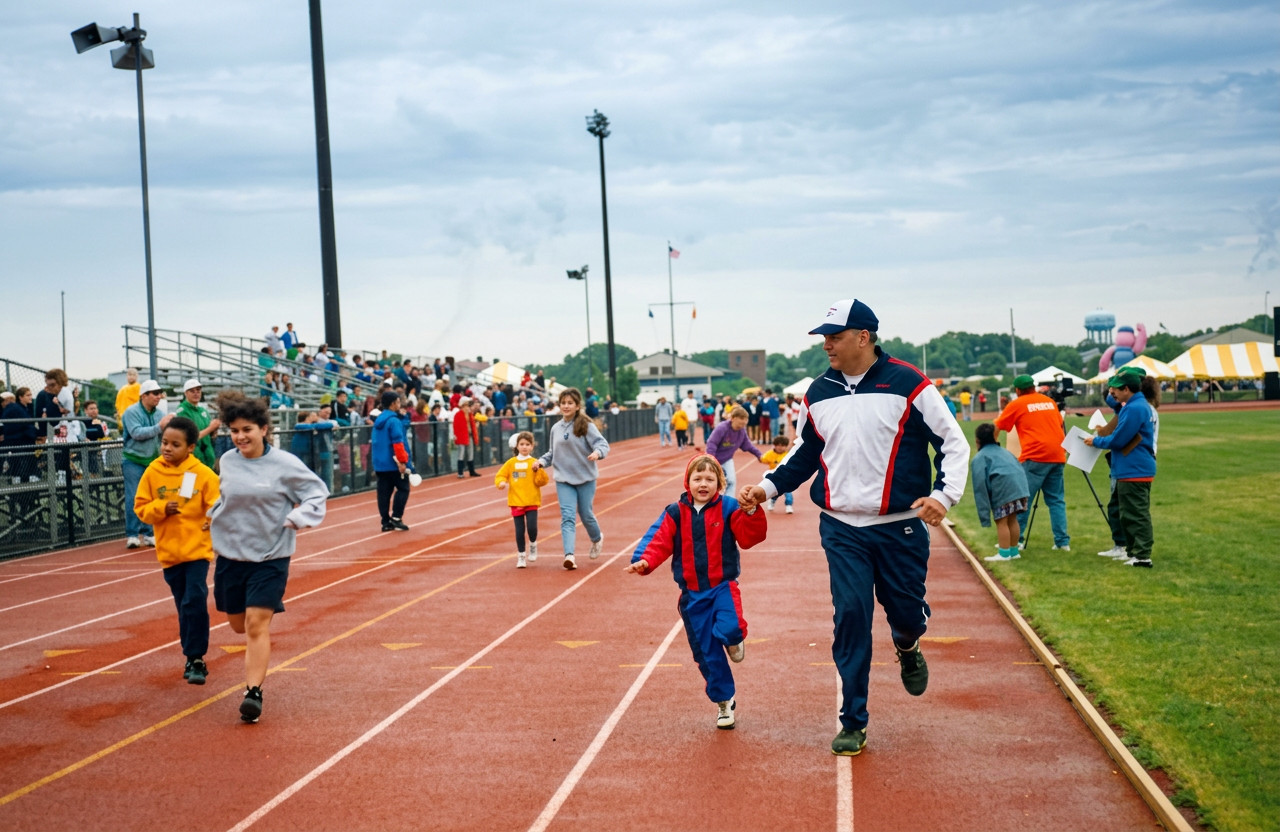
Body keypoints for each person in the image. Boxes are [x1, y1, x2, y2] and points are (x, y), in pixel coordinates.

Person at [738, 298, 969, 757]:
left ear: (864, 337)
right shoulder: (818, 393)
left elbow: (953, 443)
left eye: (835, 336)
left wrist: (943, 496)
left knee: (904, 614)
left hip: (900, 525)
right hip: (841, 527)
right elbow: (804, 454)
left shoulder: (909, 384)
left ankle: (908, 644)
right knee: (851, 616)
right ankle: (853, 720)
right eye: (824, 337)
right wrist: (767, 487)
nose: (827, 345)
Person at [209, 390, 328, 723]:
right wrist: (212, 512)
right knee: (236, 625)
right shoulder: (228, 461)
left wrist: (299, 517)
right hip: (232, 555)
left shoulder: (285, 465)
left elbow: (316, 492)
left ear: (263, 429)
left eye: (247, 429)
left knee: (255, 624)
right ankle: (253, 684)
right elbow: (225, 497)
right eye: (234, 431)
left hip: (272, 556)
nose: (240, 437)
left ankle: (253, 693)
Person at [626, 454, 767, 729]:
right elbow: (658, 538)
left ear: (720, 482)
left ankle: (734, 639)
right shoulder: (675, 512)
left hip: (723, 586)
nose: (703, 484)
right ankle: (724, 701)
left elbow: (750, 538)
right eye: (697, 478)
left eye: (710, 479)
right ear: (687, 482)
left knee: (731, 627)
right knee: (707, 654)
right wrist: (644, 560)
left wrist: (750, 512)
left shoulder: (729, 508)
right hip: (692, 596)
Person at [133, 416, 220, 685]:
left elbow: (218, 506)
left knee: (194, 600)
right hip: (169, 553)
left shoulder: (203, 474)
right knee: (183, 605)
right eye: (164, 442)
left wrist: (209, 522)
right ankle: (191, 654)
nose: (166, 448)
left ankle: (196, 657)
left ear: (191, 447)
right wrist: (161, 508)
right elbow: (141, 508)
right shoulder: (152, 472)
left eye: (174, 444)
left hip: (196, 552)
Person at [1085, 371, 1157, 568]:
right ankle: (1134, 552)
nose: (1111, 392)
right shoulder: (1133, 405)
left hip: (1135, 468)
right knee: (1128, 513)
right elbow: (1113, 404)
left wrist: (1096, 441)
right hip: (1130, 467)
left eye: (1115, 388)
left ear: (1127, 389)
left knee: (1136, 514)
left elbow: (1119, 439)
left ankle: (1142, 555)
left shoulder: (1134, 408)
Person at [533, 387, 609, 570]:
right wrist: (541, 462)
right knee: (567, 517)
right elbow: (552, 453)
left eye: (570, 403)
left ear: (577, 406)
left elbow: (602, 444)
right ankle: (569, 555)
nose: (566, 406)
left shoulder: (586, 426)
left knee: (585, 514)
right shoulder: (555, 428)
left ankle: (597, 538)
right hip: (563, 479)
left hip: (585, 478)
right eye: (563, 403)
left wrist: (597, 453)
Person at [993, 375, 1070, 551]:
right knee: (1057, 501)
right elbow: (1060, 424)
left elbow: (997, 426)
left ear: (1018, 390)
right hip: (1058, 454)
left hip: (1035, 456)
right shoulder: (1049, 402)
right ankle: (1062, 542)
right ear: (1033, 387)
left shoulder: (1017, 403)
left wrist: (992, 448)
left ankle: (1016, 540)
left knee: (1022, 500)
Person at [122, 380, 173, 549]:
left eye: (160, 393)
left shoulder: (158, 413)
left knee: (153, 497)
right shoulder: (131, 412)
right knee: (134, 496)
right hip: (133, 460)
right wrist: (160, 426)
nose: (159, 396)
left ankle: (149, 532)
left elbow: (161, 436)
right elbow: (136, 433)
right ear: (144, 396)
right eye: (155, 393)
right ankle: (132, 534)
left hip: (152, 461)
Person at [971, 423, 1031, 563]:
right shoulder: (1005, 452)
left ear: (977, 441)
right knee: (1012, 519)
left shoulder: (980, 458)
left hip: (1003, 489)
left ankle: (1004, 554)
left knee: (1001, 521)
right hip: (1020, 488)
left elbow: (980, 488)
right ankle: (1014, 551)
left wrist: (984, 516)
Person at [495, 431, 550, 569]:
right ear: (517, 446)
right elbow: (500, 475)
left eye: (527, 444)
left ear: (532, 446)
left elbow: (542, 481)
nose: (524, 447)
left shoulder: (534, 462)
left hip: (531, 500)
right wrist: (501, 483)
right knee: (519, 530)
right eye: (522, 444)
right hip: (516, 501)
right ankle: (521, 556)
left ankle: (533, 544)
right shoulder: (511, 463)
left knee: (532, 527)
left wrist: (538, 470)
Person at [371, 391, 412, 531]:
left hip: (380, 463)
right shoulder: (394, 421)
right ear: (394, 403)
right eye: (398, 402)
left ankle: (385, 522)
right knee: (403, 488)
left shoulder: (378, 420)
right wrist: (403, 461)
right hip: (393, 463)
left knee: (383, 493)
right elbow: (398, 443)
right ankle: (396, 517)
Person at [706, 405, 765, 496]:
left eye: (744, 423)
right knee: (714, 483)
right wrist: (711, 460)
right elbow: (712, 443)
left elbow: (747, 445)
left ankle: (729, 503)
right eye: (740, 422)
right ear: (733, 418)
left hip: (727, 459)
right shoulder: (722, 428)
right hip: (714, 459)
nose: (742, 425)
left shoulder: (742, 431)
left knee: (731, 481)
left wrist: (759, 455)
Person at [175, 379, 220, 469]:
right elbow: (190, 437)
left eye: (198, 391)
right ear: (185, 393)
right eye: (192, 391)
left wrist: (213, 433)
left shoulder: (203, 411)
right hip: (192, 460)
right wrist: (210, 428)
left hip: (207, 458)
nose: (196, 393)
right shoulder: (183, 411)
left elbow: (208, 434)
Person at [760, 434, 795, 514]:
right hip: (775, 477)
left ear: (786, 446)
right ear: (774, 445)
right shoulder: (770, 453)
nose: (780, 447)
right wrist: (761, 458)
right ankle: (772, 501)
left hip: (786, 477)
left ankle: (789, 505)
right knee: (776, 492)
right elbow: (763, 459)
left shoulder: (788, 454)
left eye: (782, 445)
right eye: (778, 445)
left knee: (788, 492)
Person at [452, 397, 480, 478]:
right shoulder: (458, 415)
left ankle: (472, 471)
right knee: (461, 454)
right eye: (466, 405)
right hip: (462, 437)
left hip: (469, 435)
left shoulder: (470, 414)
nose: (468, 407)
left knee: (470, 453)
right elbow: (456, 427)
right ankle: (460, 472)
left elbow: (472, 425)